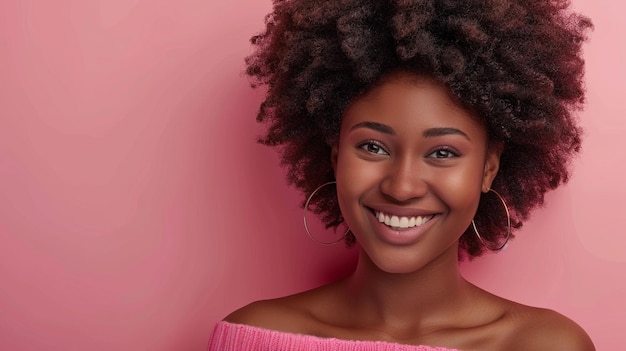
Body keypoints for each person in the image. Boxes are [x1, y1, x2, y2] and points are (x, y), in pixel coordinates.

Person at [209, 0, 595, 349]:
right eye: (373, 147)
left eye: (442, 152)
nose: (401, 186)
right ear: (336, 155)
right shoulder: (256, 335)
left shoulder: (544, 345)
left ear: (488, 169)